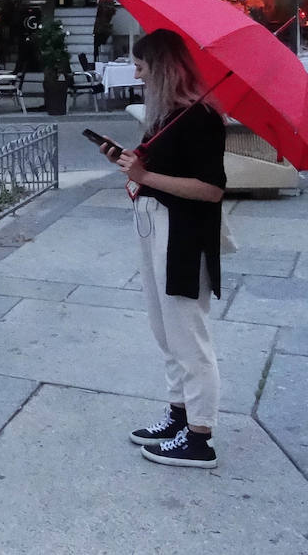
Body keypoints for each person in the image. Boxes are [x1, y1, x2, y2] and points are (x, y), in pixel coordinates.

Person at [101, 29, 225, 469]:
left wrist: (147, 177)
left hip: (185, 236)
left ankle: (200, 435)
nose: (135, 75)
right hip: (155, 226)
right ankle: (179, 414)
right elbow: (155, 170)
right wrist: (135, 168)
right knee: (164, 328)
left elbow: (211, 190)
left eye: (140, 67)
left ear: (163, 68)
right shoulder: (166, 116)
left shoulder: (202, 117)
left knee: (188, 334)